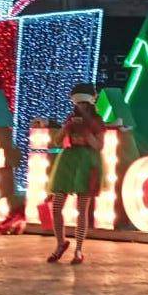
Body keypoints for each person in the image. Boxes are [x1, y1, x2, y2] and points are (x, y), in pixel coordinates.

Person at [45, 83, 105, 264]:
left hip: (87, 162)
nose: (80, 107)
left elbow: (99, 146)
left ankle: (79, 249)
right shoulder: (71, 118)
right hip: (68, 161)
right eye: (78, 104)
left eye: (84, 104)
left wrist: (87, 133)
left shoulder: (97, 121)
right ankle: (60, 243)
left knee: (82, 209)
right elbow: (56, 141)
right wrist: (66, 128)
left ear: (91, 103)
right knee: (56, 207)